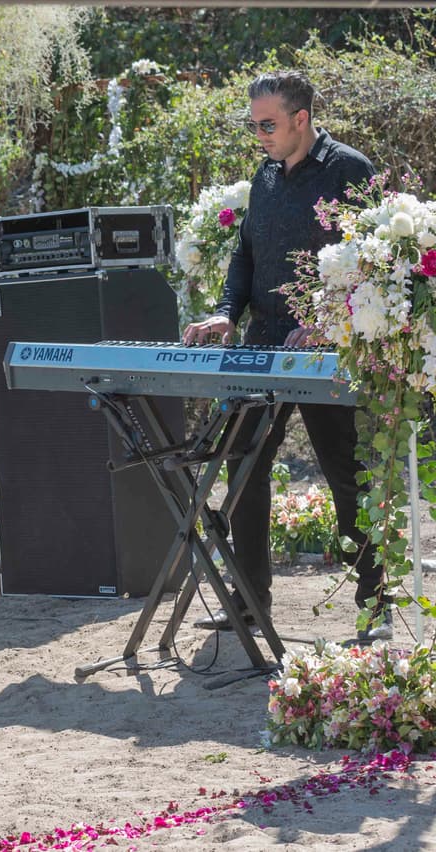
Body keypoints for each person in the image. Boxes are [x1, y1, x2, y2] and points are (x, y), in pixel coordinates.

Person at [181, 70, 389, 642]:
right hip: (261, 349)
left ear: (301, 118)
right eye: (253, 126)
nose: (259, 136)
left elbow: (369, 266)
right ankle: (250, 605)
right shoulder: (266, 174)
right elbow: (246, 256)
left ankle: (374, 608)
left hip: (324, 354)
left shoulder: (351, 170)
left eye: (267, 125)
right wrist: (227, 310)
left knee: (345, 478)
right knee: (243, 471)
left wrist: (324, 322)